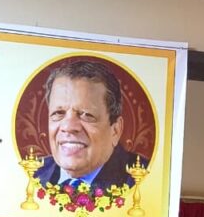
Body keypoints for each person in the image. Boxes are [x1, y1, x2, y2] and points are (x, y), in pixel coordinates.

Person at [35, 59, 146, 193]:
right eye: (58, 113)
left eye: (87, 115)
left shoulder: (145, 181)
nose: (69, 127)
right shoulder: (31, 174)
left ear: (115, 130)